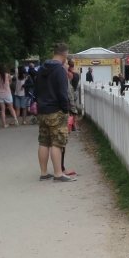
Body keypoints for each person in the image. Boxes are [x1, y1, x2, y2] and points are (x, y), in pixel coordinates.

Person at [37, 43, 75, 182]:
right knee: (57, 143)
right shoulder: (59, 70)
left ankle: (44, 172)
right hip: (56, 110)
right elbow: (62, 92)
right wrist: (66, 109)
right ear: (65, 54)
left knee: (43, 141)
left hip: (42, 109)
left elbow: (37, 89)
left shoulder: (42, 68)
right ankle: (58, 173)